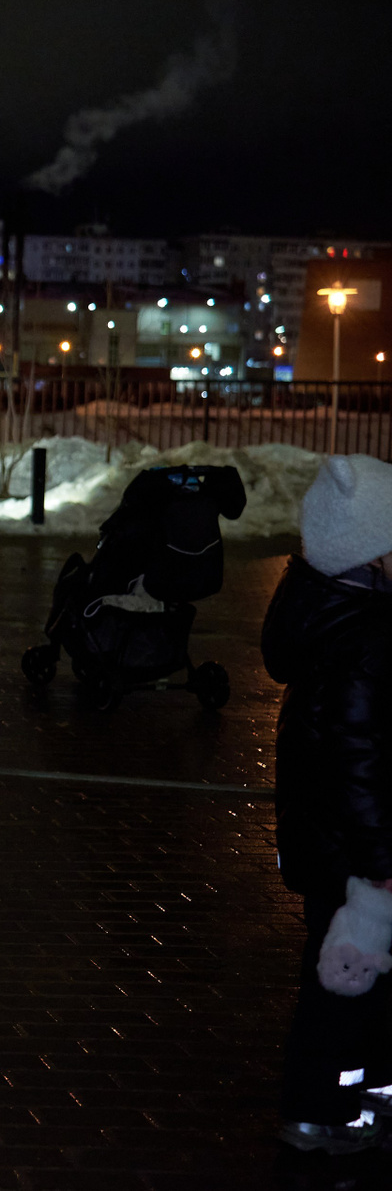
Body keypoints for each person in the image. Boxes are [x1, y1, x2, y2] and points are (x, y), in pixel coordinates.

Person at [264, 454, 392, 1154]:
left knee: (355, 972)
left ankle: (364, 1091)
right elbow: (360, 761)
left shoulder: (328, 615)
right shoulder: (368, 639)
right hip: (354, 853)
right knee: (345, 980)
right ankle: (320, 1111)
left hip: (330, 842)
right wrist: (380, 859)